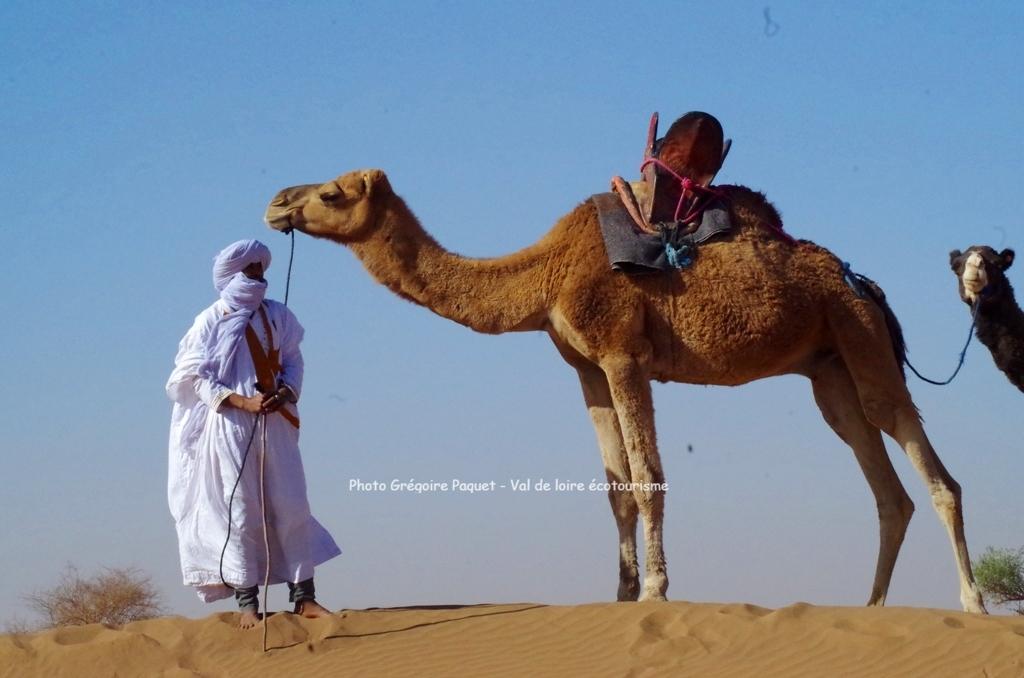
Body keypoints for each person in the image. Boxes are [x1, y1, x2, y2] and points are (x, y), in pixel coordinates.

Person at [166, 239, 341, 629]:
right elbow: (193, 377)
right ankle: (247, 602)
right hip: (230, 425)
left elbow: (293, 359)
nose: (258, 277)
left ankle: (304, 597)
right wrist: (241, 403)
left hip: (276, 421)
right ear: (231, 276)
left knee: (291, 504)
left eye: (260, 270)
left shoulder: (278, 315)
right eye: (250, 271)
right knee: (240, 512)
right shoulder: (209, 320)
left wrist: (286, 392)